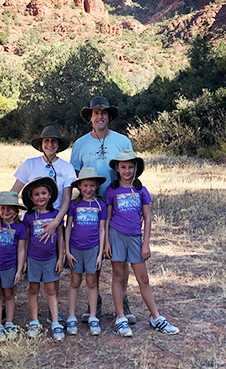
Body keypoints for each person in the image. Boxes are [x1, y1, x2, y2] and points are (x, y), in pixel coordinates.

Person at [0, 125, 75, 330]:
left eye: (53, 141)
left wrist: (55, 223)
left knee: (53, 269)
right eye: (46, 141)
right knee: (17, 261)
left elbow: (67, 199)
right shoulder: (30, 164)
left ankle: (54, 314)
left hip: (55, 221)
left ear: (59, 145)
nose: (50, 144)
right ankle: (2, 309)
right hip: (31, 222)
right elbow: (14, 191)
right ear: (41, 145)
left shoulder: (67, 168)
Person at [70, 96, 135, 323]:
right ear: (90, 116)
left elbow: (130, 172)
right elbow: (74, 177)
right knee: (92, 255)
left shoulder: (122, 141)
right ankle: (93, 303)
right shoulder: (79, 145)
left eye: (104, 112)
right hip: (91, 206)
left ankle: (124, 302)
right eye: (96, 112)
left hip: (118, 206)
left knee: (120, 258)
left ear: (109, 116)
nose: (100, 116)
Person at [104, 150, 179, 337]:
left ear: (136, 168)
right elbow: (106, 218)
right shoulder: (112, 190)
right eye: (123, 167)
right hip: (116, 235)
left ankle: (156, 318)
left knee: (143, 279)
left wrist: (146, 243)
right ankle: (120, 318)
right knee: (118, 276)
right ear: (117, 168)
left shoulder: (140, 190)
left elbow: (147, 217)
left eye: (130, 167)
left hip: (135, 237)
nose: (127, 170)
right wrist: (106, 242)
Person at [64, 167, 107, 336]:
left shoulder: (100, 204)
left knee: (92, 283)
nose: (88, 189)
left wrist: (100, 253)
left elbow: (102, 229)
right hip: (75, 249)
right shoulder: (74, 204)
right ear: (79, 187)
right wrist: (67, 251)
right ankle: (71, 317)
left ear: (96, 187)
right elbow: (68, 228)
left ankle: (93, 317)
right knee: (75, 282)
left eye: (92, 186)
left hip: (92, 249)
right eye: (85, 186)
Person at [21, 177, 65, 341]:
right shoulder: (29, 217)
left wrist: (61, 258)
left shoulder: (56, 215)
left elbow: (60, 237)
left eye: (44, 193)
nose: (41, 197)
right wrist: (24, 260)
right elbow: (25, 240)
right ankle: (34, 322)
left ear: (50, 195)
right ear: (32, 198)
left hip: (50, 259)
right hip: (33, 258)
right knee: (33, 289)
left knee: (51, 290)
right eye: (37, 194)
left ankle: (55, 322)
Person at [0, 191, 27, 342]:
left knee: (9, 295)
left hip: (9, 267)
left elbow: (21, 250)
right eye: (2, 209)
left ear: (16, 211)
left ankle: (9, 322)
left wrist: (19, 270)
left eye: (9, 209)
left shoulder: (20, 228)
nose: (6, 212)